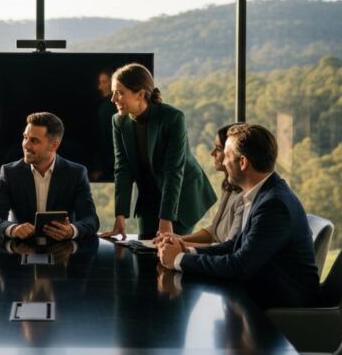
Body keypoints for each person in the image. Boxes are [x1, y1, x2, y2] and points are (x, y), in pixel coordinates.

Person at [157, 124, 321, 309]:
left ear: (243, 162)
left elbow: (240, 266)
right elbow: (234, 246)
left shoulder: (274, 205)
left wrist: (178, 260)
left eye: (226, 156)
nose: (224, 163)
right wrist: (187, 251)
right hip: (263, 294)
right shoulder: (264, 194)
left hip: (281, 309)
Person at [100, 63, 216, 240]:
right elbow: (122, 168)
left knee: (170, 255)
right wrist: (120, 216)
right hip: (148, 196)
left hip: (181, 196)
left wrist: (166, 218)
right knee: (144, 253)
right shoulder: (119, 121)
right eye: (113, 92)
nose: (113, 98)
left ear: (140, 94)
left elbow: (173, 171)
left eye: (120, 92)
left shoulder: (173, 118)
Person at [0, 112, 100, 241]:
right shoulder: (9, 173)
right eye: (25, 137)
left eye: (34, 140)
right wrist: (13, 229)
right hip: (20, 252)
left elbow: (91, 220)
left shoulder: (76, 173)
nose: (26, 145)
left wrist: (71, 230)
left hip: (63, 253)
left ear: (54, 145)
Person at [153, 123, 245, 248]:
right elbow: (214, 231)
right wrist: (177, 238)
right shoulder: (229, 186)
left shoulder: (245, 197)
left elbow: (228, 248)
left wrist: (181, 246)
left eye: (218, 148)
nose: (212, 153)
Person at [91, 67, 117, 181]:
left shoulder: (106, 108)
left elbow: (104, 140)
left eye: (104, 82)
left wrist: (100, 167)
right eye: (99, 82)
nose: (100, 87)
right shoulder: (105, 108)